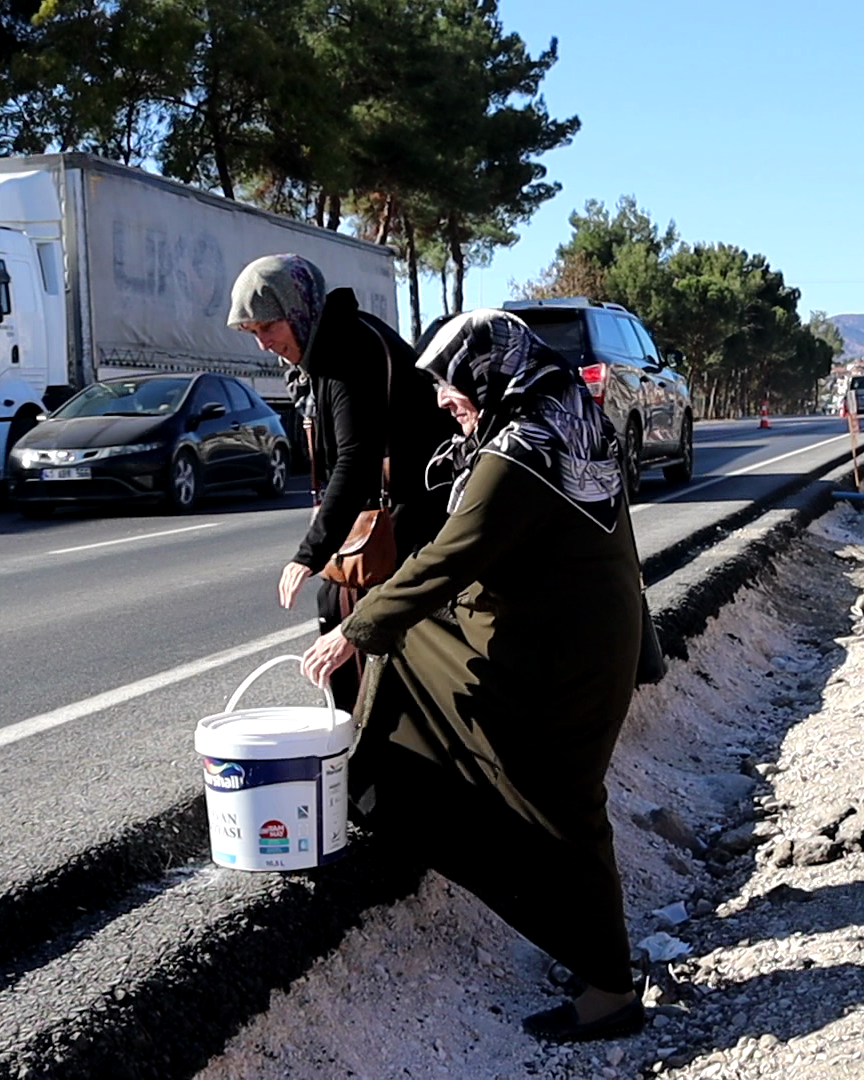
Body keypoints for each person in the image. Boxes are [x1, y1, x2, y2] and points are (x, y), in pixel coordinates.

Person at [298, 310, 648, 1044]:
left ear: (489, 373)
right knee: (556, 793)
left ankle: (611, 989)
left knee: (560, 804)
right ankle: (596, 966)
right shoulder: (569, 417)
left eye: (450, 384)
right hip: (582, 640)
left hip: (559, 655)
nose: (441, 400)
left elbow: (454, 555)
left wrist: (354, 632)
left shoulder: (520, 452)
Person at [228, 254, 455, 708]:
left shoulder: (348, 351)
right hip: (393, 508)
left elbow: (356, 461)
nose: (264, 345)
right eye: (254, 334)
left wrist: (309, 554)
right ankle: (359, 745)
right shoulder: (327, 347)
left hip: (417, 505)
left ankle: (368, 749)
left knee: (358, 616)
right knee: (344, 609)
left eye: (268, 328)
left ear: (296, 311)